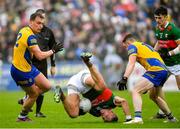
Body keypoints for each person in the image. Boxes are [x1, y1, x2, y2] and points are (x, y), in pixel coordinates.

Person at [10, 12, 63, 122]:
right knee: (34, 94)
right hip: (20, 71)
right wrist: (53, 51)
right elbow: (39, 56)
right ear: (31, 22)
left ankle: (26, 99)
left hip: (28, 67)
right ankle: (22, 116)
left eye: (42, 24)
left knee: (47, 86)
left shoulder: (23, 30)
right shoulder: (30, 37)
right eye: (38, 23)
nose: (41, 26)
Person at [117, 34, 177, 124]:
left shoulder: (133, 46)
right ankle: (171, 118)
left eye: (125, 46)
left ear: (128, 42)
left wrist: (124, 78)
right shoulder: (145, 45)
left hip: (156, 70)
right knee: (154, 96)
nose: (126, 49)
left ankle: (138, 118)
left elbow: (131, 63)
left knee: (135, 90)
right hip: (164, 71)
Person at [54, 52, 132, 122]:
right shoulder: (112, 103)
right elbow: (123, 101)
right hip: (85, 80)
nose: (103, 116)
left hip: (75, 84)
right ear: (112, 112)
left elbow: (82, 104)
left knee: (73, 114)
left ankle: (60, 94)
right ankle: (87, 62)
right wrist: (128, 118)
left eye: (104, 118)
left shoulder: (96, 113)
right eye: (107, 116)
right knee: (101, 88)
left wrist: (81, 107)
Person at [152, 6, 180, 119]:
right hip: (164, 63)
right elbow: (159, 42)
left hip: (176, 63)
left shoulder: (173, 29)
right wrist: (153, 53)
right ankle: (163, 112)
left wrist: (169, 54)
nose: (157, 20)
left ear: (166, 17)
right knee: (157, 87)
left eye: (160, 18)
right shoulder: (158, 28)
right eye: (156, 18)